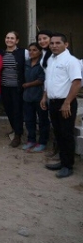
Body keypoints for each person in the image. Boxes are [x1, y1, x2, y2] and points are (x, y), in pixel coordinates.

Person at [41, 33, 81, 179]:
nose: (54, 46)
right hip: (53, 102)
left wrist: (67, 103)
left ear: (66, 45)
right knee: (58, 133)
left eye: (58, 43)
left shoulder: (71, 61)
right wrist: (45, 96)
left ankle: (68, 166)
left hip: (66, 103)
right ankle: (62, 161)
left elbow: (77, 82)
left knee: (66, 134)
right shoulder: (51, 59)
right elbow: (48, 80)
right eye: (52, 43)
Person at [0, 31, 28, 148]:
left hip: (17, 87)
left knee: (17, 111)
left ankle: (18, 135)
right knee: (8, 109)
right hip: (4, 86)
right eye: (7, 38)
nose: (9, 40)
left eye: (12, 38)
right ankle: (14, 129)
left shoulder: (24, 52)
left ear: (17, 41)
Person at [22, 42, 49, 152]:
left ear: (40, 52)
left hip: (39, 96)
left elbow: (42, 79)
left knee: (42, 120)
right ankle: (31, 140)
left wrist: (28, 84)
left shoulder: (43, 64)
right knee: (29, 120)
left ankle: (42, 142)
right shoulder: (27, 63)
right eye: (30, 50)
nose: (31, 52)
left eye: (34, 50)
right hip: (27, 96)